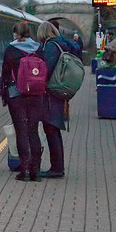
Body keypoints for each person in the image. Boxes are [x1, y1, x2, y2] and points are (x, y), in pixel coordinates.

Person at [0, 21, 43, 182]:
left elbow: (4, 72)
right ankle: (36, 170)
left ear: (16, 34)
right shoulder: (38, 48)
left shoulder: (11, 50)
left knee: (21, 131)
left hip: (16, 94)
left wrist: (2, 92)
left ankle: (24, 169)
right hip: (37, 94)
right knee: (33, 131)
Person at [37, 21, 81, 179]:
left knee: (51, 129)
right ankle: (57, 167)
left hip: (51, 92)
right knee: (53, 129)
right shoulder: (62, 43)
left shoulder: (50, 46)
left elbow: (47, 70)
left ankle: (57, 168)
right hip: (59, 90)